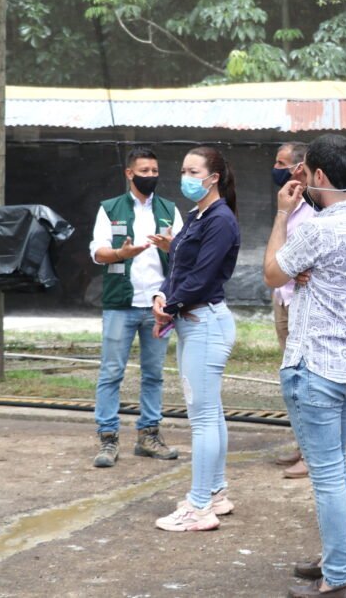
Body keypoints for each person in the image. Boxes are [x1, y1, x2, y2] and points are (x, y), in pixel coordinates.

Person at [263, 134, 346, 598]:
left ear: (317, 175)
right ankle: (335, 560)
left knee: (327, 475)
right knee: (335, 470)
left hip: (314, 365)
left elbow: (272, 272)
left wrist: (282, 214)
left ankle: (338, 579)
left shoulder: (317, 228)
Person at [152, 146, 241, 533]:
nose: (185, 178)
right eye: (184, 170)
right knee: (210, 413)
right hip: (193, 320)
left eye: (193, 171)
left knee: (203, 418)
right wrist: (162, 297)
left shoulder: (220, 219)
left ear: (213, 177)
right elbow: (181, 266)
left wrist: (169, 306)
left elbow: (202, 277)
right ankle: (215, 493)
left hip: (205, 322)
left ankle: (200, 505)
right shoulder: (198, 215)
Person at [89, 147, 183, 468]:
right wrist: (121, 254)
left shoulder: (169, 210)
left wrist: (172, 248)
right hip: (120, 303)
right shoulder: (110, 209)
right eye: (144, 171)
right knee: (111, 372)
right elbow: (98, 252)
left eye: (155, 171)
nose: (151, 176)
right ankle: (108, 438)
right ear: (129, 173)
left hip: (158, 306)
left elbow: (184, 255)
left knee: (154, 374)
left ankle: (148, 435)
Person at [270, 141, 315, 479]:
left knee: (306, 379)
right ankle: (302, 446)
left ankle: (312, 455)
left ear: (299, 168)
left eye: (281, 163)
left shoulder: (315, 208)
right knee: (291, 378)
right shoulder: (285, 204)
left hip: (303, 301)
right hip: (283, 298)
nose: (275, 168)